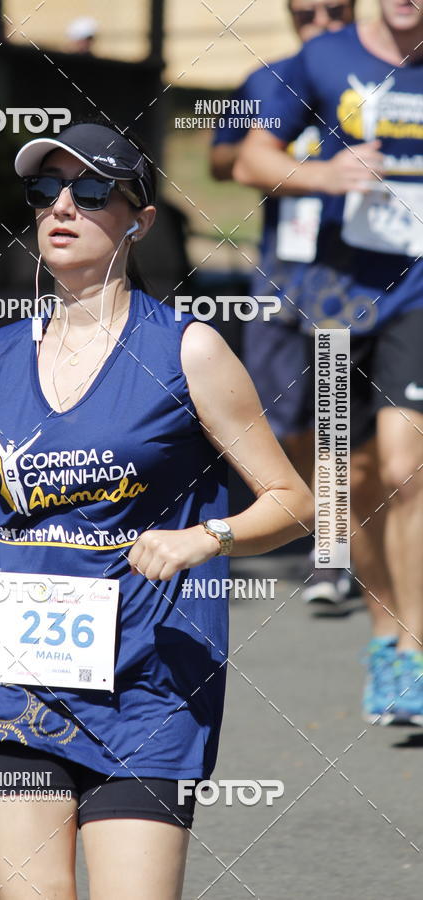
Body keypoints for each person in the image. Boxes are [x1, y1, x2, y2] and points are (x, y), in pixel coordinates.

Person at [0, 121, 314, 898]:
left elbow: (295, 503)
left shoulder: (188, 351)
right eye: (44, 191)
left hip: (148, 685)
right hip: (15, 685)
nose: (62, 206)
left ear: (139, 220)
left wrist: (205, 537)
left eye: (90, 192)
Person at [235, 0, 423, 726]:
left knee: (405, 464)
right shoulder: (323, 59)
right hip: (335, 300)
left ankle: (413, 650)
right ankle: (384, 632)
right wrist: (322, 174)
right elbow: (251, 157)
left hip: (414, 296)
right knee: (351, 480)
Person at [211, 0, 356, 605]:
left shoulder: (373, 82)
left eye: (335, 11)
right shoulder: (268, 79)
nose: (319, 23)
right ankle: (332, 525)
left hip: (352, 275)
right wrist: (289, 157)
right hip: (280, 270)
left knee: (337, 412)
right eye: (306, 13)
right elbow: (224, 159)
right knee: (280, 412)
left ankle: (335, 551)